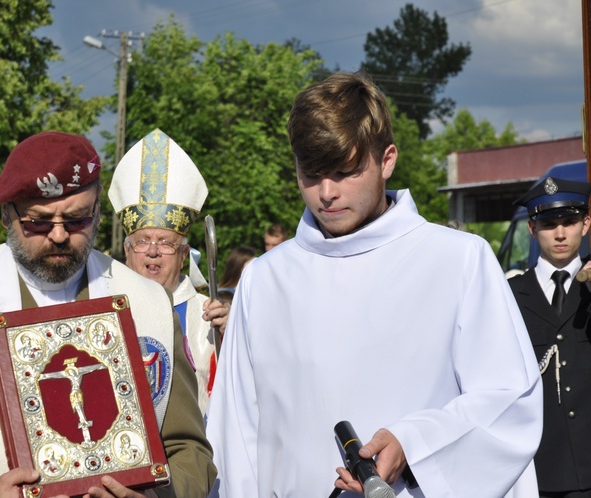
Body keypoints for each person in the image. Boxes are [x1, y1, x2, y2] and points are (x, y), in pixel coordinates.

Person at [205, 72, 543, 497]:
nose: (326, 193)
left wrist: (414, 444)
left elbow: (509, 402)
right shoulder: (265, 279)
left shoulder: (458, 260)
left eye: (345, 171)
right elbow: (236, 431)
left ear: (386, 160)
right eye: (310, 175)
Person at [0, 131, 215, 498]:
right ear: (6, 214)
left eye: (77, 219)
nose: (60, 235)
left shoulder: (146, 303)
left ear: (96, 212)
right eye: (39, 222)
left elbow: (189, 451)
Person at [109, 128, 229, 416]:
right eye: (142, 242)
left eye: (165, 243)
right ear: (127, 251)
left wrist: (230, 337)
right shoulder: (103, 309)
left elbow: (238, 389)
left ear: (184, 254)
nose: (152, 251)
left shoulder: (209, 315)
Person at [509, 177, 591, 497]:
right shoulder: (510, 295)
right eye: (548, 224)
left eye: (569, 222)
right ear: (532, 229)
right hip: (539, 471)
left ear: (586, 224)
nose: (559, 234)